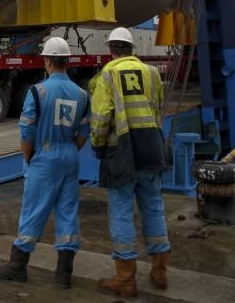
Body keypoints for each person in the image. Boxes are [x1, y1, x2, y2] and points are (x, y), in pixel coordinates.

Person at [0, 36, 91, 288]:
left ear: (47, 61)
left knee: (34, 210)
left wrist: (29, 157)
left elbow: (26, 131)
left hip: (44, 157)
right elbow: (84, 132)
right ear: (67, 62)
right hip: (69, 157)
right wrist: (70, 149)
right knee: (68, 212)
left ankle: (17, 266)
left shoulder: (38, 91)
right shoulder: (81, 94)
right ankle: (64, 274)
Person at [90, 27, 170, 296]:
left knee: (121, 211)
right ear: (131, 48)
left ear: (111, 50)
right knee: (154, 207)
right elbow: (158, 108)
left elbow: (101, 116)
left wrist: (97, 146)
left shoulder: (108, 74)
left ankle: (125, 279)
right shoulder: (152, 73)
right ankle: (160, 271)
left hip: (121, 150)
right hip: (151, 147)